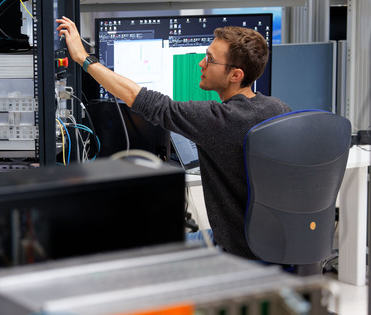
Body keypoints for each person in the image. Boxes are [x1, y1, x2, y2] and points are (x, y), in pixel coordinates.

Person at [56, 16, 291, 260]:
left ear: (236, 75)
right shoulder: (279, 108)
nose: (201, 63)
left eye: (210, 59)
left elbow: (143, 99)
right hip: (267, 243)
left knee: (143, 252)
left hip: (235, 252)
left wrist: (84, 59)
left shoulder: (218, 120)